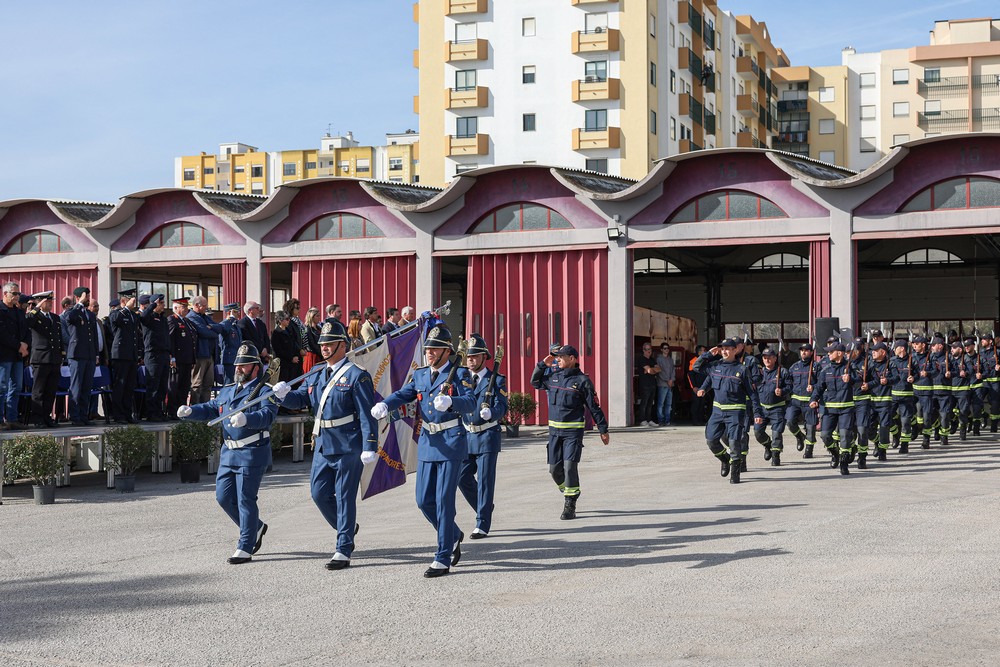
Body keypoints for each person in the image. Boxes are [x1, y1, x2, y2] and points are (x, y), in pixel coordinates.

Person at [372, 325, 477, 578]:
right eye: (428, 348)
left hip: (451, 441)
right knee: (423, 501)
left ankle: (443, 556)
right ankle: (452, 534)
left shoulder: (460, 374)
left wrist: (453, 401)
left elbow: (471, 402)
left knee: (443, 501)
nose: (429, 353)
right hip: (429, 442)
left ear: (447, 351)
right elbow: (404, 394)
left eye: (434, 349)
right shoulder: (420, 375)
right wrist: (385, 405)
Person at [276, 320, 378, 570]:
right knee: (319, 493)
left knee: (344, 498)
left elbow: (367, 414)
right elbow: (303, 398)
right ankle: (347, 528)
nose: (324, 348)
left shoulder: (357, 376)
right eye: (322, 344)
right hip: (323, 443)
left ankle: (343, 547)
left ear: (342, 345)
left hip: (348, 444)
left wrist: (370, 445)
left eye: (329, 343)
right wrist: (283, 394)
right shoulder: (318, 373)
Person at [178, 342, 279, 565]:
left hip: (252, 451)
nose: (239, 369)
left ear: (255, 367)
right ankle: (256, 527)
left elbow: (267, 416)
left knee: (245, 499)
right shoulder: (228, 389)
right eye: (237, 365)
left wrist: (248, 419)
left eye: (244, 366)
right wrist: (191, 411)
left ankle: (245, 545)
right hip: (229, 453)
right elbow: (213, 408)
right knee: (223, 497)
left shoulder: (264, 391)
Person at [531, 344, 610, 517]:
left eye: (561, 357)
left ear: (572, 359)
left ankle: (570, 504)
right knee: (554, 470)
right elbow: (535, 382)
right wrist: (543, 364)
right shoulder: (554, 377)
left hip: (573, 433)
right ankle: (569, 490)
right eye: (557, 357)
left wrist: (603, 429)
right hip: (554, 434)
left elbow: (594, 407)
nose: (557, 359)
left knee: (569, 467)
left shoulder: (582, 381)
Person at [458, 333, 508, 540]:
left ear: (484, 357)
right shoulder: (461, 378)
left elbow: (502, 407)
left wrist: (492, 413)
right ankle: (484, 506)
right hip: (466, 436)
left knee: (486, 481)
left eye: (475, 356)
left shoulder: (496, 379)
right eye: (468, 356)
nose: (470, 360)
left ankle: (482, 523)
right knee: (462, 477)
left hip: (487, 435)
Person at [696, 339, 763, 484]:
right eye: (723, 349)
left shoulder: (742, 369)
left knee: (734, 442)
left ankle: (735, 473)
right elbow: (697, 367)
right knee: (711, 441)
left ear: (735, 350)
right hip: (717, 411)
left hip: (735, 412)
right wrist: (707, 354)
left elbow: (753, 394)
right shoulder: (715, 366)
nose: (725, 351)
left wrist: (757, 413)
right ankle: (725, 459)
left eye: (728, 349)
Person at [810, 341, 857, 475]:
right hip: (830, 409)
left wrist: (851, 379)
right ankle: (835, 453)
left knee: (845, 435)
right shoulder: (826, 370)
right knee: (825, 435)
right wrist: (813, 399)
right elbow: (819, 387)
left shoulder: (850, 367)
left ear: (839, 353)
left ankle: (843, 462)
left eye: (831, 351)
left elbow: (860, 381)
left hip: (846, 409)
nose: (828, 354)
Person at [25, 291, 63, 428]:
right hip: (40, 359)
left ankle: (47, 417)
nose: (50, 303)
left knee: (50, 391)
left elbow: (59, 337)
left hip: (54, 358)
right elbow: (28, 321)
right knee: (39, 391)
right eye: (47, 301)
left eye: (51, 301)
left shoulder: (55, 317)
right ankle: (38, 419)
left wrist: (61, 354)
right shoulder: (35, 316)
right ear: (40, 302)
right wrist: (36, 307)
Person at [62, 286, 97, 426]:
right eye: (86, 296)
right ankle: (75, 416)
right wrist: (79, 303)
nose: (88, 299)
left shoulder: (89, 314)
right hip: (76, 355)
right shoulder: (72, 311)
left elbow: (93, 336)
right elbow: (69, 318)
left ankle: (84, 415)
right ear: (78, 297)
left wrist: (96, 354)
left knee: (87, 387)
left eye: (88, 296)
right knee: (76, 387)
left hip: (89, 355)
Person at [754, 346, 792, 466]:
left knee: (776, 433)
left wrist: (782, 391)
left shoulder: (782, 372)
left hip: (777, 407)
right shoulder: (759, 373)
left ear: (775, 358)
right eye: (764, 358)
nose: (767, 360)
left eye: (769, 357)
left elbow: (790, 386)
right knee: (758, 433)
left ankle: (776, 455)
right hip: (762, 408)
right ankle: (768, 445)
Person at [0, 282, 29, 429]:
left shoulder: (18, 312)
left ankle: (12, 418)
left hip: (17, 356)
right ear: (5, 294)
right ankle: (0, 421)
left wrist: (25, 345)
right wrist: (19, 346)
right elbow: (3, 334)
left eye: (18, 294)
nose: (17, 296)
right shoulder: (1, 310)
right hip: (4, 355)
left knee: (16, 388)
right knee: (2, 388)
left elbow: (25, 330)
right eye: (14, 294)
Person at [108, 289, 140, 423]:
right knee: (119, 386)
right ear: (123, 301)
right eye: (130, 299)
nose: (133, 302)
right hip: (120, 355)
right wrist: (126, 308)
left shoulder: (132, 315)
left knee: (129, 387)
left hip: (131, 355)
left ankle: (127, 413)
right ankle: (118, 414)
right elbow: (115, 320)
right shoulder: (116, 313)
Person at [187, 295, 225, 404]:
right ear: (196, 305)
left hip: (210, 355)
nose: (206, 308)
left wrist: (212, 327)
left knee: (208, 384)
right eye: (204, 306)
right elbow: (204, 332)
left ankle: (206, 407)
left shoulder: (205, 317)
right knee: (197, 384)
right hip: (200, 355)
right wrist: (212, 329)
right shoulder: (192, 317)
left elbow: (219, 328)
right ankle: (195, 409)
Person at [139, 294, 171, 421]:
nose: (163, 305)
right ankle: (151, 413)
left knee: (163, 386)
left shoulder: (163, 319)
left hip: (164, 355)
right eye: (161, 303)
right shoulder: (149, 318)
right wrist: (152, 305)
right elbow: (143, 317)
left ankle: (159, 411)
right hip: (152, 355)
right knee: (153, 385)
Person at [786, 343, 818, 458]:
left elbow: (822, 384)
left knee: (810, 426)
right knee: (789, 421)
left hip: (809, 401)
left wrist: (814, 387)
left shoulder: (816, 366)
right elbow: (788, 383)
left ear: (811, 352)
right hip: (795, 400)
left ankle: (809, 449)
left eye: (806, 350)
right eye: (802, 350)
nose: (803, 352)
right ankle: (799, 436)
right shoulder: (794, 367)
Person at [167, 298, 196, 418]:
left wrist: (193, 358)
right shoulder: (172, 320)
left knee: (185, 387)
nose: (186, 309)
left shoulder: (187, 321)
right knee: (175, 386)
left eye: (186, 307)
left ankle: (182, 410)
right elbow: (170, 340)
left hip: (187, 359)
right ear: (176, 308)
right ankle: (173, 411)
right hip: (177, 359)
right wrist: (172, 357)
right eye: (183, 307)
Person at [218, 302, 243, 385]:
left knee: (236, 383)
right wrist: (231, 318)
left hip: (236, 358)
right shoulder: (225, 324)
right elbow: (223, 328)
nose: (238, 314)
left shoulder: (235, 326)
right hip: (229, 359)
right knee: (229, 384)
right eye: (236, 312)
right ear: (229, 312)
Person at [270, 311, 298, 383]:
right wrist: (291, 358)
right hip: (283, 365)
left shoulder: (289, 331)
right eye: (287, 319)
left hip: (291, 364)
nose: (289, 321)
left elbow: (293, 344)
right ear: (280, 320)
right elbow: (278, 350)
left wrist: (295, 355)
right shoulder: (276, 333)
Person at [635, 342, 657, 426]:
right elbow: (651, 371)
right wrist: (652, 370)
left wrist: (650, 370)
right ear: (643, 350)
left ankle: (649, 419)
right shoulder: (641, 359)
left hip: (652, 384)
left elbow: (659, 369)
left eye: (650, 349)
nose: (648, 351)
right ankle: (642, 420)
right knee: (644, 402)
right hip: (645, 385)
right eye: (646, 349)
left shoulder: (652, 359)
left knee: (650, 403)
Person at [655, 343, 675, 426]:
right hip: (662, 384)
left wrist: (672, 380)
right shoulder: (659, 359)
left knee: (669, 404)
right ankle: (661, 420)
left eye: (667, 348)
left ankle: (667, 420)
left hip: (670, 385)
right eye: (665, 348)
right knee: (661, 404)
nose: (666, 350)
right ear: (661, 349)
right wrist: (667, 380)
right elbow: (659, 371)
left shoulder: (670, 360)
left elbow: (673, 370)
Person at [687, 345, 708, 426]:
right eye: (703, 350)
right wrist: (693, 387)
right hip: (696, 386)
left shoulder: (705, 361)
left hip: (704, 386)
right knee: (696, 404)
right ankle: (695, 420)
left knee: (702, 404)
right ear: (699, 352)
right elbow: (690, 375)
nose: (705, 352)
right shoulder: (693, 361)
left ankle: (701, 420)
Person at [301, 307, 322, 373]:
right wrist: (321, 352)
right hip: (312, 356)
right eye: (317, 316)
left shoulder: (319, 328)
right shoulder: (308, 329)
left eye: (319, 315)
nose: (319, 317)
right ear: (312, 317)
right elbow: (311, 344)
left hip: (320, 355)